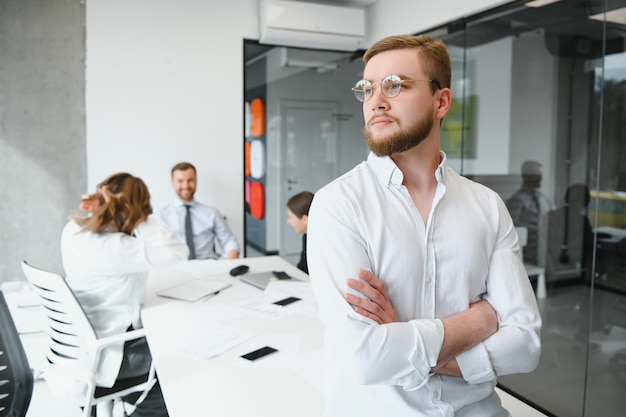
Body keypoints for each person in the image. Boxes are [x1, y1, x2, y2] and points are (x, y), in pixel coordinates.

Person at [307, 34, 542, 417]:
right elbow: (366, 358)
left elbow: (525, 345)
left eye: (395, 85)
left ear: (441, 101)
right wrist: (478, 321)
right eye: (366, 89)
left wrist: (407, 341)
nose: (376, 101)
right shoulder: (338, 204)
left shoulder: (487, 206)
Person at [61, 173, 189, 417]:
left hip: (79, 350)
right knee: (180, 362)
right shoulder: (115, 246)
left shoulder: (72, 231)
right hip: (110, 355)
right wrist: (139, 217)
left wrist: (107, 208)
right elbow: (178, 251)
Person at [154, 162, 240, 260]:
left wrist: (231, 260)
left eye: (190, 180)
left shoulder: (212, 213)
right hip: (175, 269)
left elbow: (229, 240)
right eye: (180, 181)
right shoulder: (160, 214)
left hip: (208, 268)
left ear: (196, 181)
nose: (185, 185)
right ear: (173, 183)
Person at [506, 160, 555, 266]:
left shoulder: (544, 199)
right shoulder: (516, 200)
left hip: (545, 250)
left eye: (540, 174)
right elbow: (511, 228)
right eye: (536, 174)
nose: (540, 177)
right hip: (526, 254)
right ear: (526, 176)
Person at [545, 183, 594, 281]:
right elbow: (590, 249)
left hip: (552, 270)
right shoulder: (583, 221)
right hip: (568, 272)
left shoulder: (551, 216)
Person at [286, 191, 314, 274]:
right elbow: (302, 267)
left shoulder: (319, 242)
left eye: (290, 217)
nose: (288, 221)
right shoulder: (306, 236)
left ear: (305, 219)